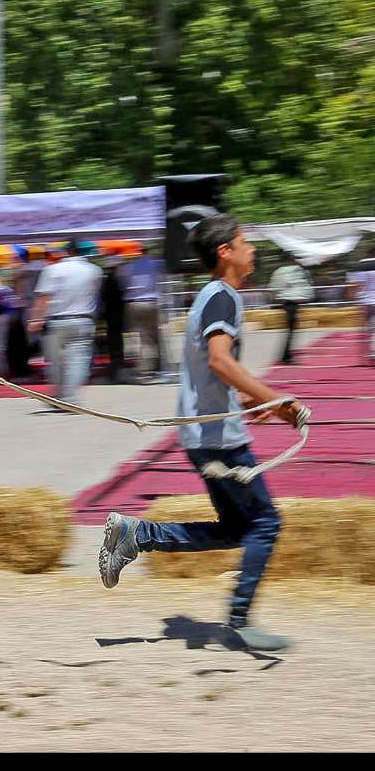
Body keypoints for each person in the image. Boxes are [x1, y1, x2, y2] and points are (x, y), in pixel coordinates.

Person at [98, 213, 305, 652]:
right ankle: (241, 621)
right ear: (226, 252)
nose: (253, 251)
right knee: (265, 524)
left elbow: (214, 369)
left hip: (209, 434)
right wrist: (278, 402)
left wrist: (250, 400)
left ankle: (137, 535)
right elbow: (219, 361)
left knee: (236, 528)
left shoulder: (214, 295)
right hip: (217, 439)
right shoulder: (223, 297)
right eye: (245, 243)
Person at [28, 239, 103, 407]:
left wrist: (36, 319)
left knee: (56, 361)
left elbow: (43, 297)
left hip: (56, 321)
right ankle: (71, 397)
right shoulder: (94, 271)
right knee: (78, 361)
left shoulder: (52, 269)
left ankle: (58, 394)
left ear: (66, 252)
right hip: (83, 319)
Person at [123, 246, 165, 380]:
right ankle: (158, 366)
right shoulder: (158, 264)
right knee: (158, 336)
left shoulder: (130, 265)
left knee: (143, 338)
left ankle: (145, 369)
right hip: (153, 302)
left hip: (135, 303)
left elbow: (123, 283)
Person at [267, 256, 314, 364]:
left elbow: (275, 287)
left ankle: (286, 355)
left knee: (291, 330)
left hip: (290, 302)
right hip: (291, 303)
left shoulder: (286, 271)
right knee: (290, 331)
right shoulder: (293, 271)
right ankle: (285, 356)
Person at [99, 253, 129, 383]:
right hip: (116, 312)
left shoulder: (106, 280)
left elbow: (103, 297)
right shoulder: (116, 280)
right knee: (116, 337)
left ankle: (115, 358)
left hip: (110, 312)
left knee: (113, 336)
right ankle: (117, 359)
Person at [347, 260, 375, 365]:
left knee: (370, 329)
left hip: (365, 302)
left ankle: (372, 353)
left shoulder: (360, 268)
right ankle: (373, 353)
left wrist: (352, 298)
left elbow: (354, 285)